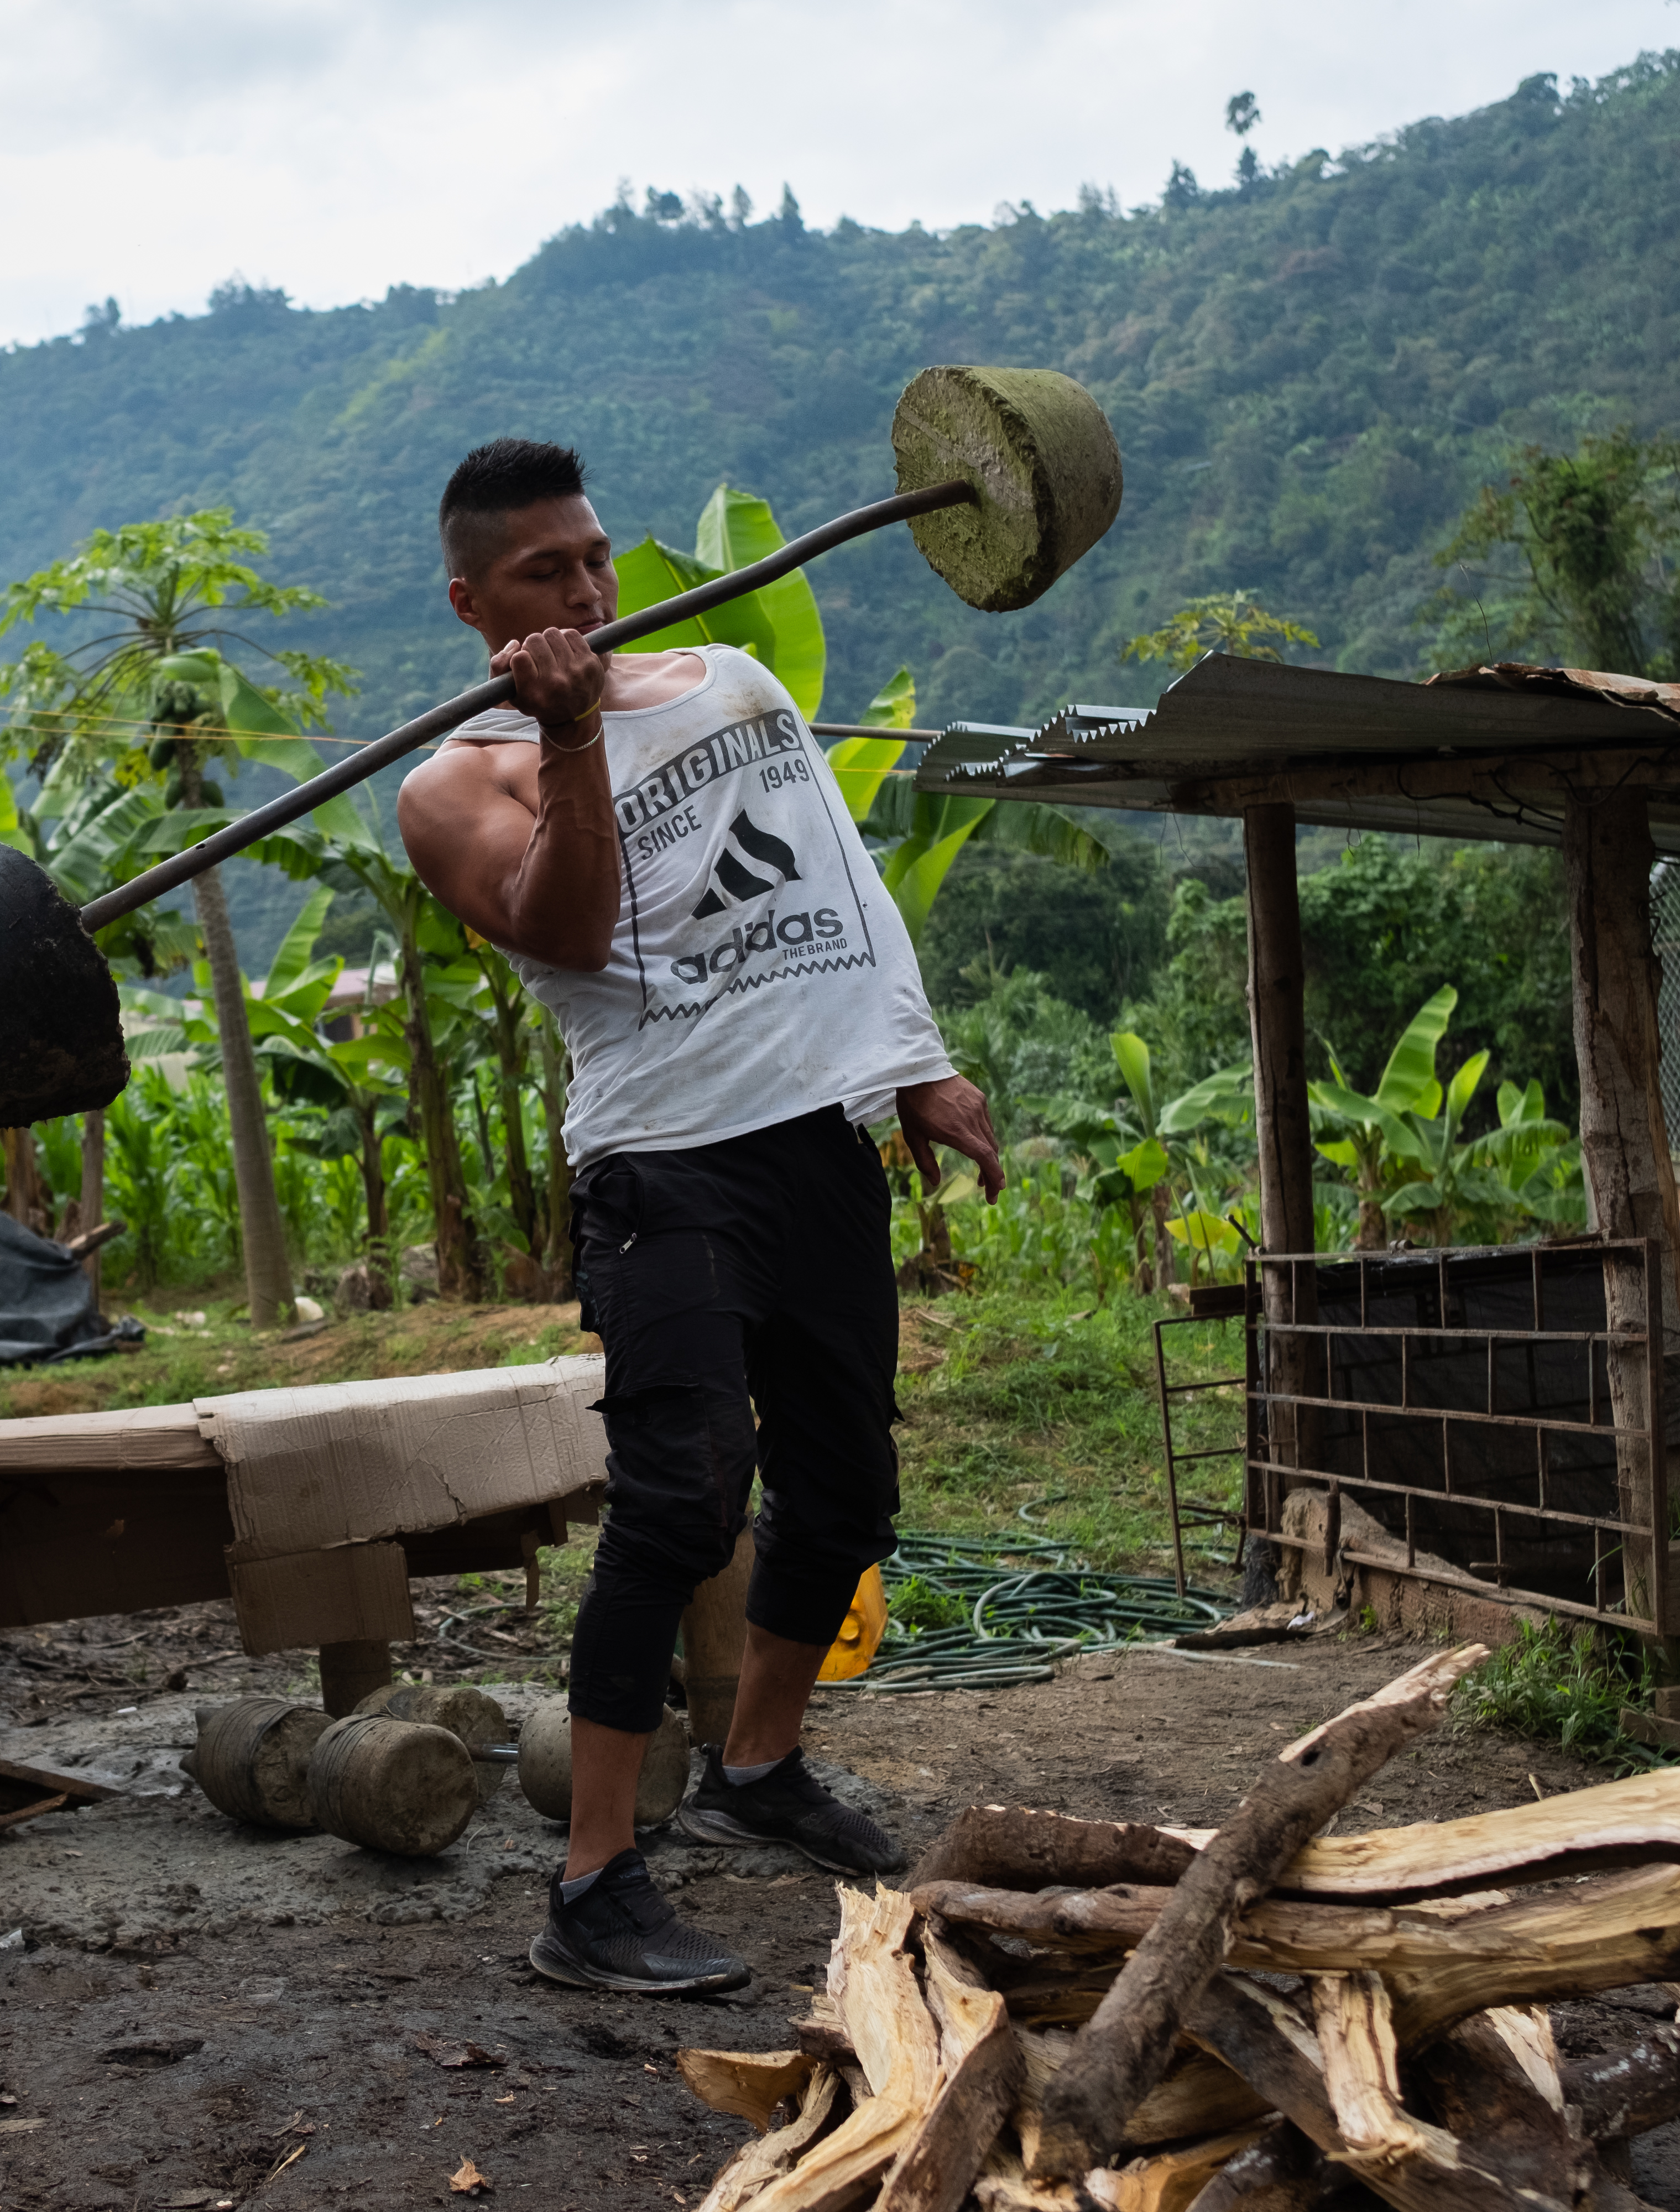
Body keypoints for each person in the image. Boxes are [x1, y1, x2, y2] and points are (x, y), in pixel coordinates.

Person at [396, 439, 1004, 1996]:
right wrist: (571, 737)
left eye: (595, 557)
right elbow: (569, 930)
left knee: (846, 1491)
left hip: (814, 1145)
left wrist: (918, 1064)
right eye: (543, 573)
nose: (587, 590)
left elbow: (840, 886)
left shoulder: (735, 680)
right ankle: (593, 1885)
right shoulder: (452, 784)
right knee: (679, 1504)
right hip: (664, 1169)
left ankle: (757, 1768)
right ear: (473, 603)